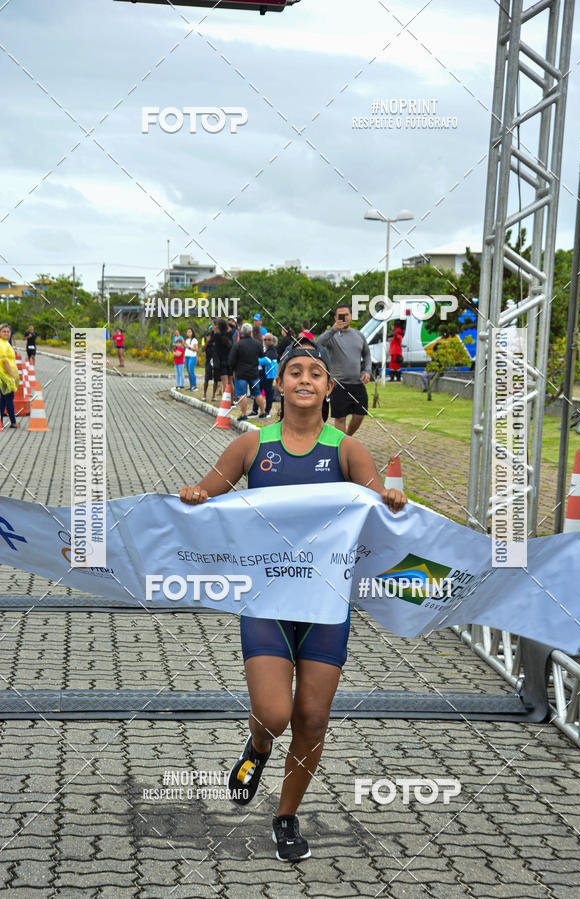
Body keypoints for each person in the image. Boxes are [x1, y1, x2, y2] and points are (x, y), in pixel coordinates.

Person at [179, 339, 407, 862]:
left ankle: (285, 816)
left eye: (316, 373)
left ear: (329, 388)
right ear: (279, 384)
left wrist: (392, 498)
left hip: (326, 605)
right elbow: (205, 493)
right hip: (267, 599)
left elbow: (379, 512)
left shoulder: (347, 450)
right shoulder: (252, 446)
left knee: (312, 717)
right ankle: (258, 747)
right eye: (295, 372)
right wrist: (196, 495)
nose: (305, 379)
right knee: (274, 713)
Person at [316, 303, 371, 436]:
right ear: (335, 317)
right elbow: (318, 343)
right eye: (340, 315)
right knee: (340, 418)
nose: (344, 318)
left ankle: (346, 439)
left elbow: (367, 354)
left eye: (346, 315)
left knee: (360, 414)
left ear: (350, 316)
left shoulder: (359, 335)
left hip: (357, 383)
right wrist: (333, 330)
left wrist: (367, 370)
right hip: (338, 384)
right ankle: (342, 446)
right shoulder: (332, 336)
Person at [228, 322, 265, 421]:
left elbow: (231, 360)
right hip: (254, 373)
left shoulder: (238, 345)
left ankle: (244, 414)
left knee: (242, 394)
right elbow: (262, 355)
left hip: (241, 373)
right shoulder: (257, 343)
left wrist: (233, 369)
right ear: (251, 332)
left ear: (241, 332)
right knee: (257, 393)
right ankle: (263, 412)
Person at [252, 333, 278, 418]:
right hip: (261, 374)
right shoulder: (264, 349)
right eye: (265, 339)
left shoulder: (272, 350)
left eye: (269, 339)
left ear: (272, 341)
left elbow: (266, 360)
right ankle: (254, 410)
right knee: (257, 391)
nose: (266, 341)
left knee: (268, 393)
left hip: (268, 375)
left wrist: (254, 359)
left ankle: (267, 411)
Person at [0, 322, 20, 429]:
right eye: (4, 331)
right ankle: (13, 422)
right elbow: (4, 361)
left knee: (3, 399)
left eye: (8, 332)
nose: (6, 333)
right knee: (9, 399)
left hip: (4, 376)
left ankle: (1, 422)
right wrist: (12, 375)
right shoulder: (2, 344)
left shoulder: (6, 343)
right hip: (5, 376)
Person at [212, 318, 233, 397]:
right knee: (230, 383)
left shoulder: (217, 336)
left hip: (222, 362)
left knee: (225, 383)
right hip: (230, 361)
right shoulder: (229, 334)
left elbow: (215, 348)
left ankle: (226, 402)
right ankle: (231, 401)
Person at [202, 325, 218, 401]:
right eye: (210, 328)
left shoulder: (218, 336)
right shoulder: (205, 336)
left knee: (216, 378)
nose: (212, 329)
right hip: (208, 359)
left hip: (216, 359)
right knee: (207, 378)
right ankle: (204, 394)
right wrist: (207, 341)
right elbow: (202, 349)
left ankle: (213, 395)